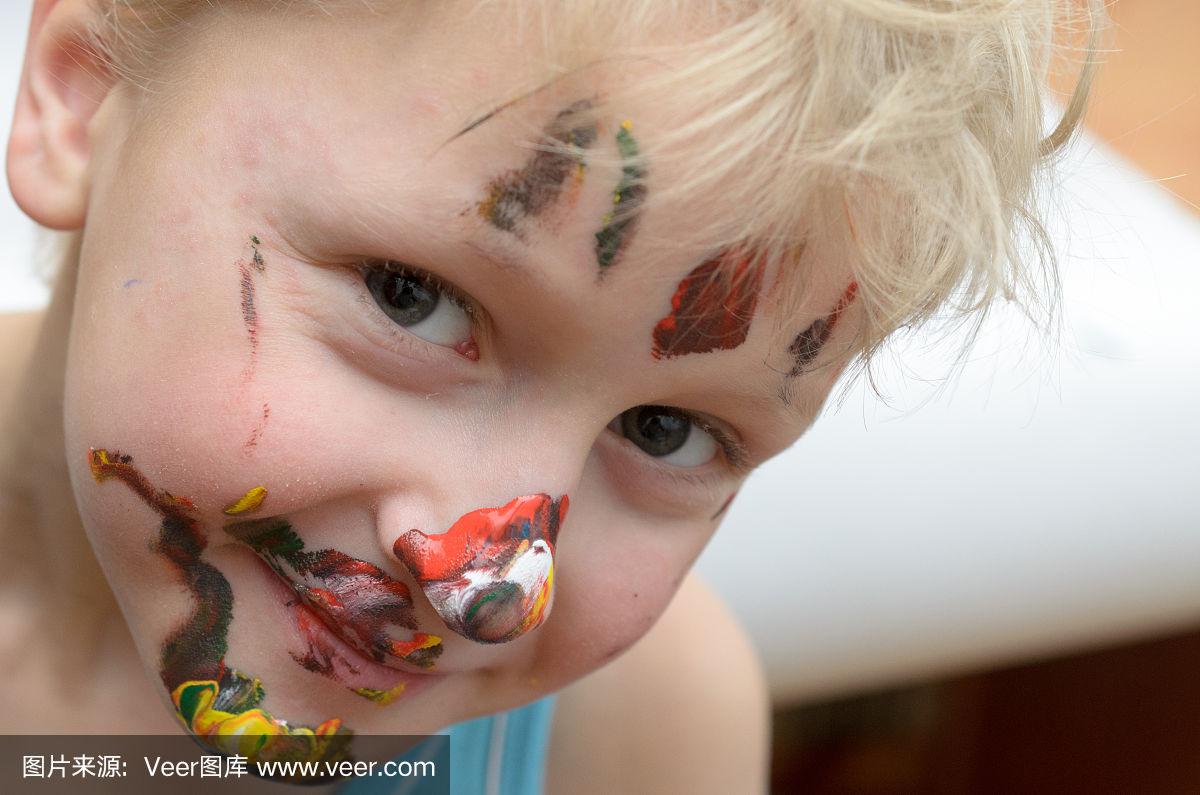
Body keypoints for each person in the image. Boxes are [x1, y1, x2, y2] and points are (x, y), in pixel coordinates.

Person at [0, 0, 1100, 792]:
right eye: (413, 297)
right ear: (86, 80)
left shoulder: (640, 734)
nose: (493, 590)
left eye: (667, 431)